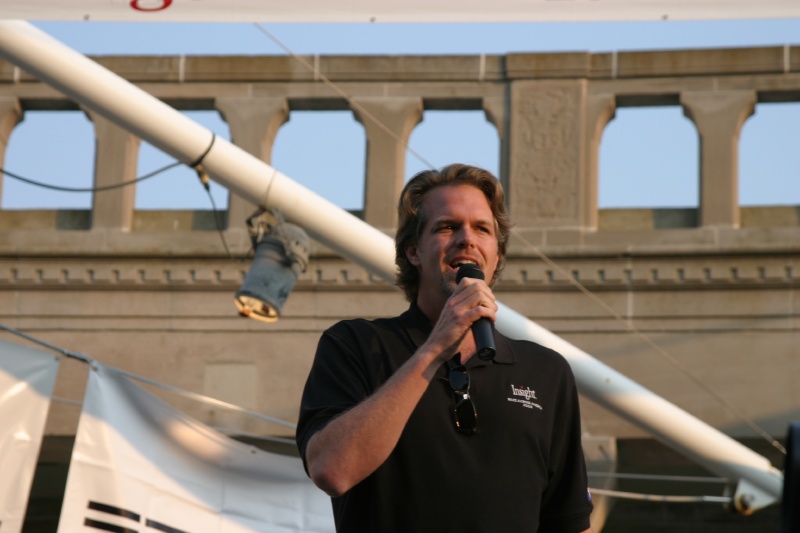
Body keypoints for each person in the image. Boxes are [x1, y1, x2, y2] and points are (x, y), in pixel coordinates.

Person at [296, 164, 593, 532]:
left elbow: (568, 521)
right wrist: (435, 347)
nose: (467, 239)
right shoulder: (355, 345)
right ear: (414, 251)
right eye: (447, 226)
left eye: (482, 229)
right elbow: (331, 470)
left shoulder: (546, 371)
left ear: (496, 256)